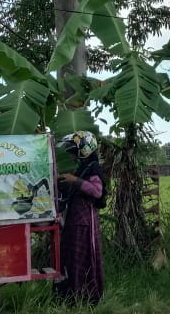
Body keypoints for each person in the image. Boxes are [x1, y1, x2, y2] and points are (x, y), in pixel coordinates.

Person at [55, 131, 106, 306]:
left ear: (83, 150)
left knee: (83, 258)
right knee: (72, 258)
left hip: (85, 221)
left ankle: (87, 297)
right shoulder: (83, 167)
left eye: (73, 151)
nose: (70, 154)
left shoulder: (93, 168)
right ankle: (73, 296)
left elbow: (97, 191)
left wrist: (74, 180)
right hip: (76, 219)